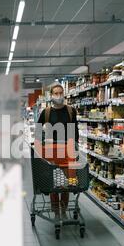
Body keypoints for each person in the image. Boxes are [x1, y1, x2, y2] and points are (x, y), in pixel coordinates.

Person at [36, 83, 79, 220]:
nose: (59, 95)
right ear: (51, 95)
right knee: (54, 183)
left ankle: (64, 210)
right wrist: (41, 142)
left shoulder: (71, 111)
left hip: (68, 152)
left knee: (67, 183)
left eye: (61, 93)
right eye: (56, 93)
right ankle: (56, 211)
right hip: (51, 152)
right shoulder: (46, 112)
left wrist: (75, 145)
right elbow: (38, 129)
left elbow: (75, 130)